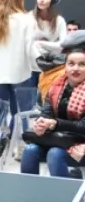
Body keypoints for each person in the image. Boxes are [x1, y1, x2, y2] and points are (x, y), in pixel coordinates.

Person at [22, 46, 85, 178]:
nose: (75, 69)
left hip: (81, 142)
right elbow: (46, 112)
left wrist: (55, 123)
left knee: (55, 154)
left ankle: (66, 197)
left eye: (82, 64)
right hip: (59, 139)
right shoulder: (56, 86)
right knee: (30, 150)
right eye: (71, 64)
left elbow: (82, 126)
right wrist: (42, 122)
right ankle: (28, 194)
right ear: (65, 67)